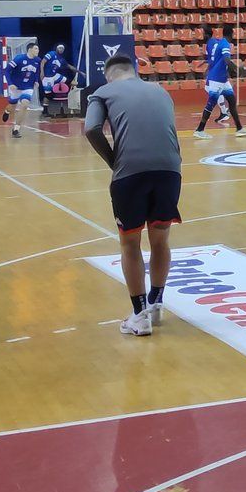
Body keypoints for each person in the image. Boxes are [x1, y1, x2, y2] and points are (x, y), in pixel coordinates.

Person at [83, 54, 184, 337]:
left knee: (130, 244)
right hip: (170, 170)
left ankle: (139, 315)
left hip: (130, 173)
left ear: (108, 75)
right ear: (135, 71)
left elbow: (91, 128)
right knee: (161, 240)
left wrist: (113, 160)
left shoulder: (102, 92)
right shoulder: (160, 90)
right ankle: (156, 301)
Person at [193, 26, 246, 139]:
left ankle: (239, 128)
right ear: (232, 35)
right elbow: (226, 60)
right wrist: (237, 69)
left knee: (232, 101)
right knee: (211, 104)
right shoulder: (225, 44)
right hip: (217, 79)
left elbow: (214, 57)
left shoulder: (216, 43)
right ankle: (199, 130)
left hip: (222, 79)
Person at [3, 40, 42, 138]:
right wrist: (10, 83)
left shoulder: (38, 60)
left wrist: (36, 80)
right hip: (16, 86)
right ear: (30, 49)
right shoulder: (19, 59)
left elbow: (37, 72)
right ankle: (7, 111)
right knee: (12, 105)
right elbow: (7, 70)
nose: (38, 50)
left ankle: (16, 129)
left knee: (24, 104)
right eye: (36, 48)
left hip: (28, 86)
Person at [41, 43, 76, 115]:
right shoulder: (51, 53)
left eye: (62, 49)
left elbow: (69, 66)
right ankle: (45, 110)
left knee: (72, 82)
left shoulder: (61, 59)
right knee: (48, 95)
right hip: (47, 77)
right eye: (60, 48)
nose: (61, 50)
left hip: (55, 76)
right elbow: (43, 62)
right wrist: (42, 72)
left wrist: (81, 72)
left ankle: (73, 104)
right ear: (56, 48)